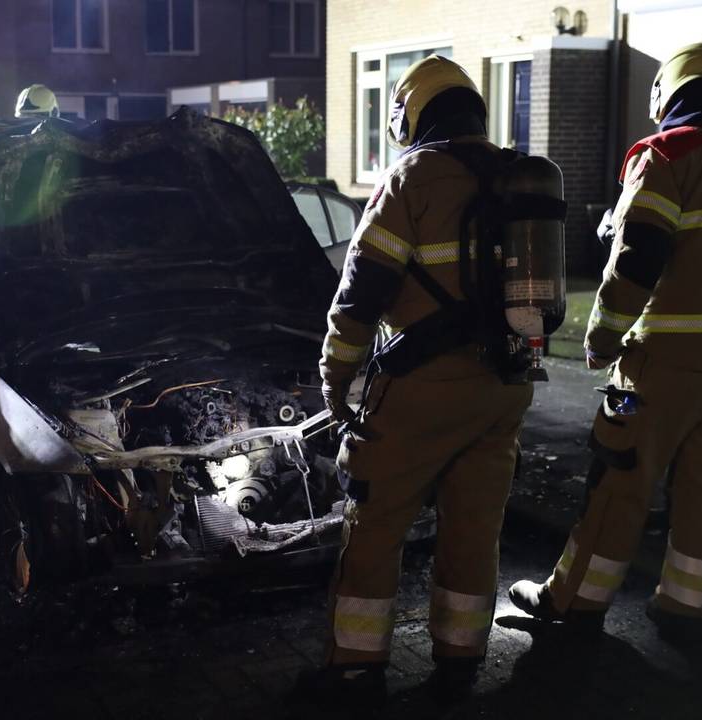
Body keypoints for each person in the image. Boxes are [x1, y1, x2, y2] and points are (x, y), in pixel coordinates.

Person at [506, 41, 702, 640]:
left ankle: (573, 601)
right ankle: (686, 605)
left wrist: (603, 337)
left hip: (661, 359)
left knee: (620, 478)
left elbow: (637, 256)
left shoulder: (665, 155)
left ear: (667, 93)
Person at [296, 55, 536, 707]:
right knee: (474, 526)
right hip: (506, 385)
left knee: (373, 524)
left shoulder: (414, 176)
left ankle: (354, 668)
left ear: (413, 112)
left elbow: (361, 293)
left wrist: (335, 374)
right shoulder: (519, 176)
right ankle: (461, 659)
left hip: (421, 388)